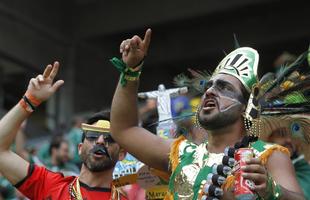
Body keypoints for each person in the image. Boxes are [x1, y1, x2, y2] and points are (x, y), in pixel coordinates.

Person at [110, 29, 305, 199]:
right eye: (209, 86)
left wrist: (272, 191)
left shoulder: (267, 155)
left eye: (224, 88)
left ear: (245, 106)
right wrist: (131, 71)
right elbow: (124, 129)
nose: (210, 91)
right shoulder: (182, 154)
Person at [0, 62, 127, 199]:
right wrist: (30, 100)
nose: (100, 141)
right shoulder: (51, 185)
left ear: (122, 154)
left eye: (110, 138)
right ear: (79, 148)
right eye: (92, 136)